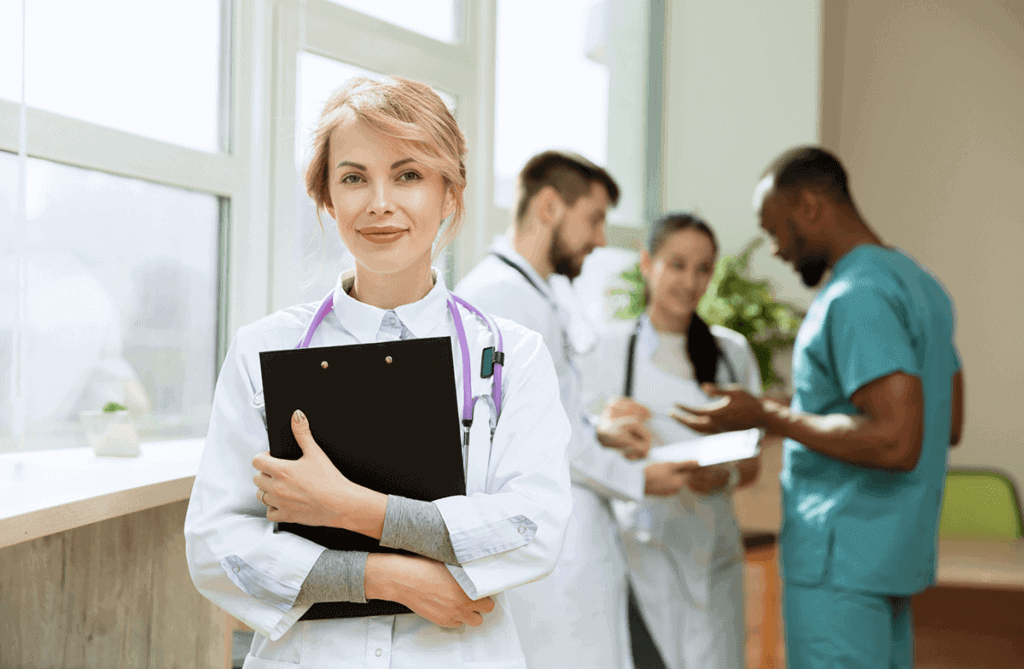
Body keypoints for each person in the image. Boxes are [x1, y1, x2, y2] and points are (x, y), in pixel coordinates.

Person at [184, 77, 574, 669]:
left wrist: (348, 507)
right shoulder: (264, 349)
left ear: (450, 193)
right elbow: (217, 545)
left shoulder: (511, 355)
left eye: (409, 174)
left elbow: (532, 526)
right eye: (353, 177)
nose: (379, 202)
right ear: (327, 198)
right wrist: (385, 576)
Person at [673, 146, 965, 669]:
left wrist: (768, 417)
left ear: (809, 205)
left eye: (776, 229)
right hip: (891, 561)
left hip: (840, 568)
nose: (777, 250)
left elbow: (898, 437)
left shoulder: (854, 295)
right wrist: (780, 407)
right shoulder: (920, 286)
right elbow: (947, 417)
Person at [456, 151, 697, 669]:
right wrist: (640, 479)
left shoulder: (534, 292)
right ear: (548, 207)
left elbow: (545, 414)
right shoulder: (501, 297)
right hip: (548, 562)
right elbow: (541, 441)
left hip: (568, 549)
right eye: (594, 217)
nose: (601, 238)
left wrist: (602, 429)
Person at [585, 213, 762, 669]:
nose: (691, 280)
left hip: (712, 550)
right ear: (647, 263)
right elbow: (581, 452)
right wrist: (609, 431)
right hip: (643, 551)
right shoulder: (606, 350)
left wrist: (721, 474)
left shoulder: (732, 353)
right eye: (677, 264)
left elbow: (753, 463)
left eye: (703, 268)